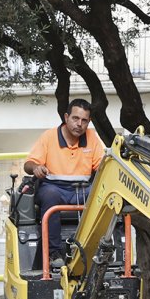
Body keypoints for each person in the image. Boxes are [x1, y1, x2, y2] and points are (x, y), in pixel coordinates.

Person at [24, 98, 104, 268]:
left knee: (103, 196)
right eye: (75, 118)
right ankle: (54, 253)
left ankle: (98, 248)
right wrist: (36, 167)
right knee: (50, 195)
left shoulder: (92, 137)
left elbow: (101, 166)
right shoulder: (49, 136)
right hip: (53, 188)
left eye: (84, 121)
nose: (79, 124)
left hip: (82, 191)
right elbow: (28, 164)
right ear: (66, 117)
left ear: (88, 122)